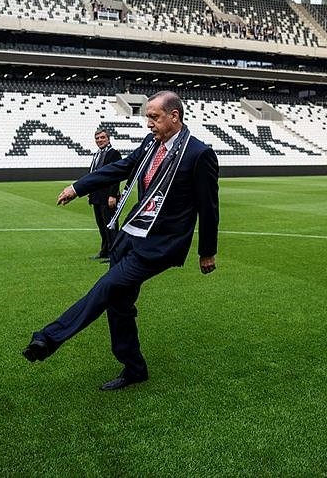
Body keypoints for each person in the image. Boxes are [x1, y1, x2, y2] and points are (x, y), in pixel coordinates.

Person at [22, 91, 219, 390]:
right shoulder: (150, 145)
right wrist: (78, 187)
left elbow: (209, 207)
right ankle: (134, 368)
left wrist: (207, 252)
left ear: (174, 116)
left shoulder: (199, 154)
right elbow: (120, 167)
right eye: (147, 118)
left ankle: (47, 338)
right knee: (118, 304)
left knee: (107, 287)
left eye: (154, 117)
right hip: (129, 236)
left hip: (160, 245)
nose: (148, 123)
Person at [88, 128, 122, 261]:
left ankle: (115, 253)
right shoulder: (96, 154)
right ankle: (105, 251)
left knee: (110, 225)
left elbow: (116, 175)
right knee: (101, 225)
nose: (99, 140)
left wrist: (112, 195)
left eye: (102, 137)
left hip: (108, 196)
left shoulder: (114, 154)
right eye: (97, 138)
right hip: (96, 195)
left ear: (108, 139)